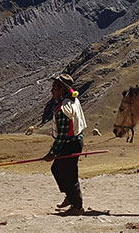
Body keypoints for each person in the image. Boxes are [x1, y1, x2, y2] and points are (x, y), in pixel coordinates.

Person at [42, 73, 87, 214]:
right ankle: (70, 196)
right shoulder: (72, 101)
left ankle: (77, 206)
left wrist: (52, 152)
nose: (51, 91)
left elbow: (61, 135)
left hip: (69, 144)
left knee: (70, 174)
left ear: (62, 90)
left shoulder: (63, 108)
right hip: (74, 141)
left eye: (54, 88)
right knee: (57, 169)